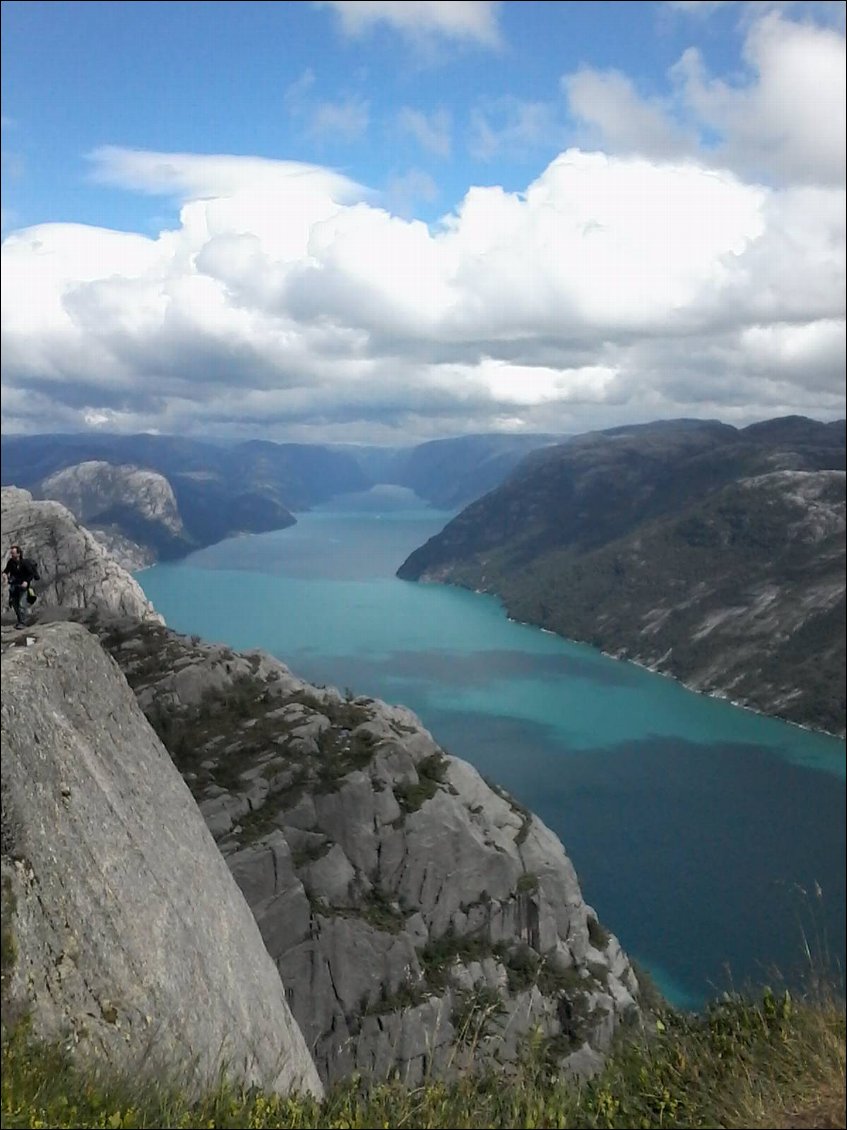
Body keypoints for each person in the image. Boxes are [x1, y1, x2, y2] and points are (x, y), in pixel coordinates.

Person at [2, 544, 39, 629]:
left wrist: (26, 581)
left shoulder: (24, 563)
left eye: (13, 553)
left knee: (22, 604)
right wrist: (4, 574)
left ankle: (23, 623)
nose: (12, 555)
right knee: (15, 605)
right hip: (14, 586)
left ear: (18, 554)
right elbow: (6, 570)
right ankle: (19, 621)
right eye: (11, 553)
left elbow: (31, 574)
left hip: (23, 586)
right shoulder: (11, 562)